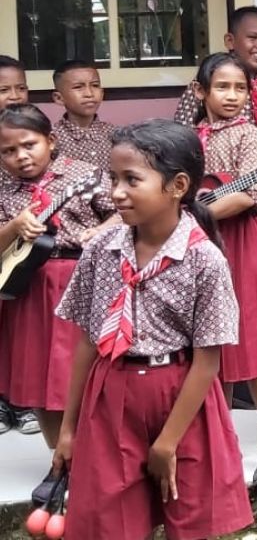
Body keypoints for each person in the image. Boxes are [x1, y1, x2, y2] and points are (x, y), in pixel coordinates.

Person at [52, 119, 252, 540]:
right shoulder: (100, 251)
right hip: (111, 396)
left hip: (182, 399)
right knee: (112, 524)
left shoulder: (205, 260)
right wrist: (68, 429)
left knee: (190, 520)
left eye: (131, 179)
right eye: (113, 178)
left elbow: (207, 360)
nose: (116, 192)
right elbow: (88, 342)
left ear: (177, 185)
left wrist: (167, 442)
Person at [0, 104, 117, 502]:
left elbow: (126, 214)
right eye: (8, 151)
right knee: (41, 383)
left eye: (29, 145)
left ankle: (95, 460)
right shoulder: (2, 189)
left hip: (79, 281)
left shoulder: (83, 174)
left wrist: (97, 233)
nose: (20, 156)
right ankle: (61, 462)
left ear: (50, 141)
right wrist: (13, 227)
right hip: (27, 288)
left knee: (80, 377)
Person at [191, 52, 257, 484]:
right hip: (199, 247)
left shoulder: (250, 135)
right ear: (201, 92)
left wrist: (192, 210)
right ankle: (220, 440)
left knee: (251, 341)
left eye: (240, 88)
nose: (232, 96)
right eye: (222, 87)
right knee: (210, 343)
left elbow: (249, 195)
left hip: (244, 245)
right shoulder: (185, 138)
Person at [174, 6, 257, 207]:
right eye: (252, 37)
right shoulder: (206, 84)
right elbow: (181, 137)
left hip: (253, 184)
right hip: (208, 186)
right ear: (230, 41)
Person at [0, 56, 30, 436]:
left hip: (21, 254)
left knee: (19, 330)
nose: (14, 96)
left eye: (20, 88)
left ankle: (20, 401)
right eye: (3, 90)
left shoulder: (31, 134)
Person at [50, 60, 117, 169]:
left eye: (95, 85)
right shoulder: (53, 139)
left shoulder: (114, 135)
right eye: (78, 87)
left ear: (102, 92)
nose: (89, 94)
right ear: (59, 98)